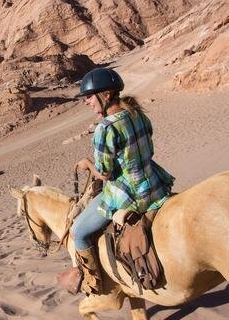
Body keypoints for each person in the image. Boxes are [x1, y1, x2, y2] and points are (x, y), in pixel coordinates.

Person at [59, 68, 175, 295]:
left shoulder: (106, 128)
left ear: (106, 94)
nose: (86, 102)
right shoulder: (137, 114)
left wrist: (87, 164)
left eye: (89, 96)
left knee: (78, 230)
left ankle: (94, 284)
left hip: (127, 194)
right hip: (155, 184)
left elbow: (103, 173)